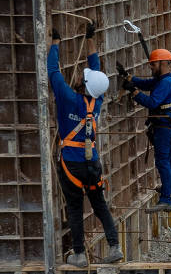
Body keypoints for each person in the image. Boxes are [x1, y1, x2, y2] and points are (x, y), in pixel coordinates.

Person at [48, 21, 123, 267]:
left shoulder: (69, 99)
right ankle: (114, 246)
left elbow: (52, 72)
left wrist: (55, 44)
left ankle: (79, 254)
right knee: (99, 204)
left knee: (74, 208)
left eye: (83, 76)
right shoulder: (96, 101)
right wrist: (91, 39)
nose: (81, 74)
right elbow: (96, 71)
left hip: (72, 163)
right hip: (92, 163)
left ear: (83, 85)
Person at [117, 49, 171, 213]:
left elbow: (152, 102)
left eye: (153, 64)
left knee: (162, 160)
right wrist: (129, 78)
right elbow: (146, 84)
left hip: (162, 125)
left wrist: (134, 92)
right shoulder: (162, 79)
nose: (151, 68)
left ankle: (166, 199)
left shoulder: (166, 83)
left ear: (163, 63)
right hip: (165, 124)